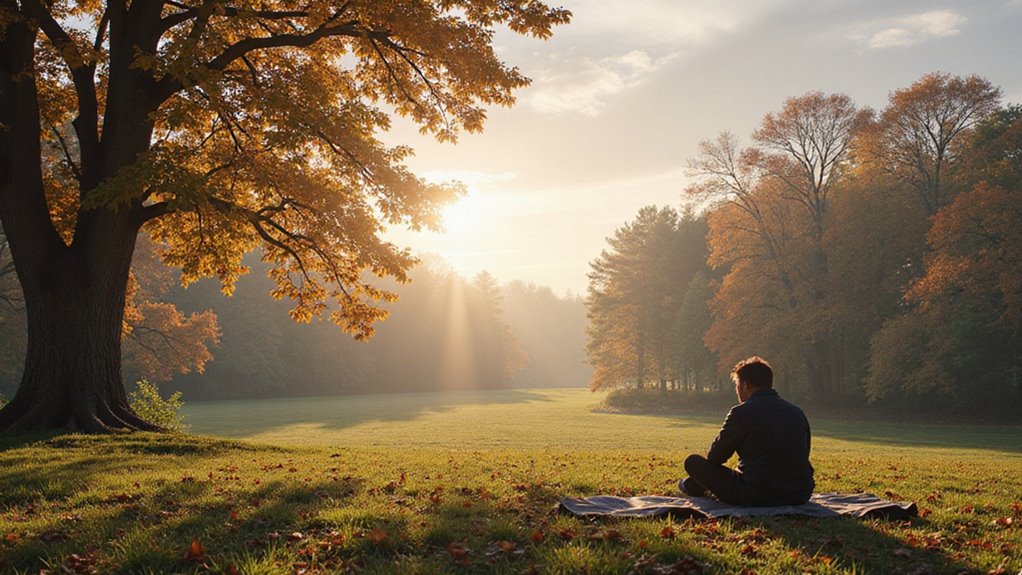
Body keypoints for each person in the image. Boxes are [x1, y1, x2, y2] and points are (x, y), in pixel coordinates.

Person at [679, 356, 814, 506]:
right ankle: (692, 484)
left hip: (757, 494)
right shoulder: (796, 412)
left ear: (746, 385)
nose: (737, 390)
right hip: (800, 493)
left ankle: (690, 485)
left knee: (693, 462)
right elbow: (804, 452)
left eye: (737, 385)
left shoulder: (741, 412)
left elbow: (715, 457)